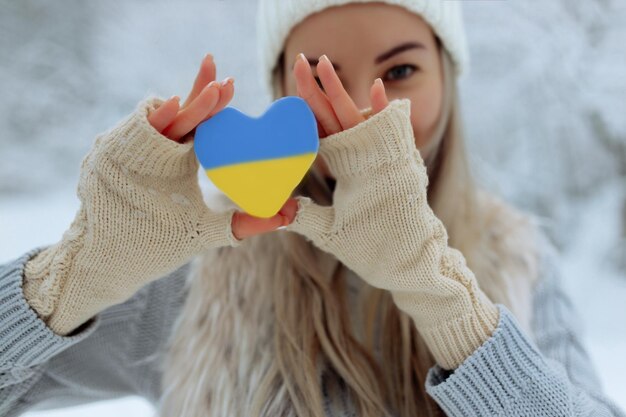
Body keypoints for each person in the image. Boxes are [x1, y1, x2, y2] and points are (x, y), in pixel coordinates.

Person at [0, 0, 624, 416]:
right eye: (319, 78)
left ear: (448, 76)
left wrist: (441, 297)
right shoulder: (192, 265)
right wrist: (69, 280)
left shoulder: (519, 260)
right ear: (279, 92)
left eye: (400, 70)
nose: (356, 109)